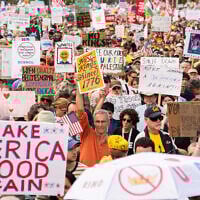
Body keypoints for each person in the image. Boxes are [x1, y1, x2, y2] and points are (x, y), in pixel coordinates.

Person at [76, 87, 110, 167]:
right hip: (84, 176)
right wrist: (78, 86)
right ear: (94, 123)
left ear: (109, 122)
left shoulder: (113, 142)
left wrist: (102, 98)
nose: (100, 125)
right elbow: (80, 110)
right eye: (97, 122)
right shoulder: (87, 133)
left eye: (103, 121)